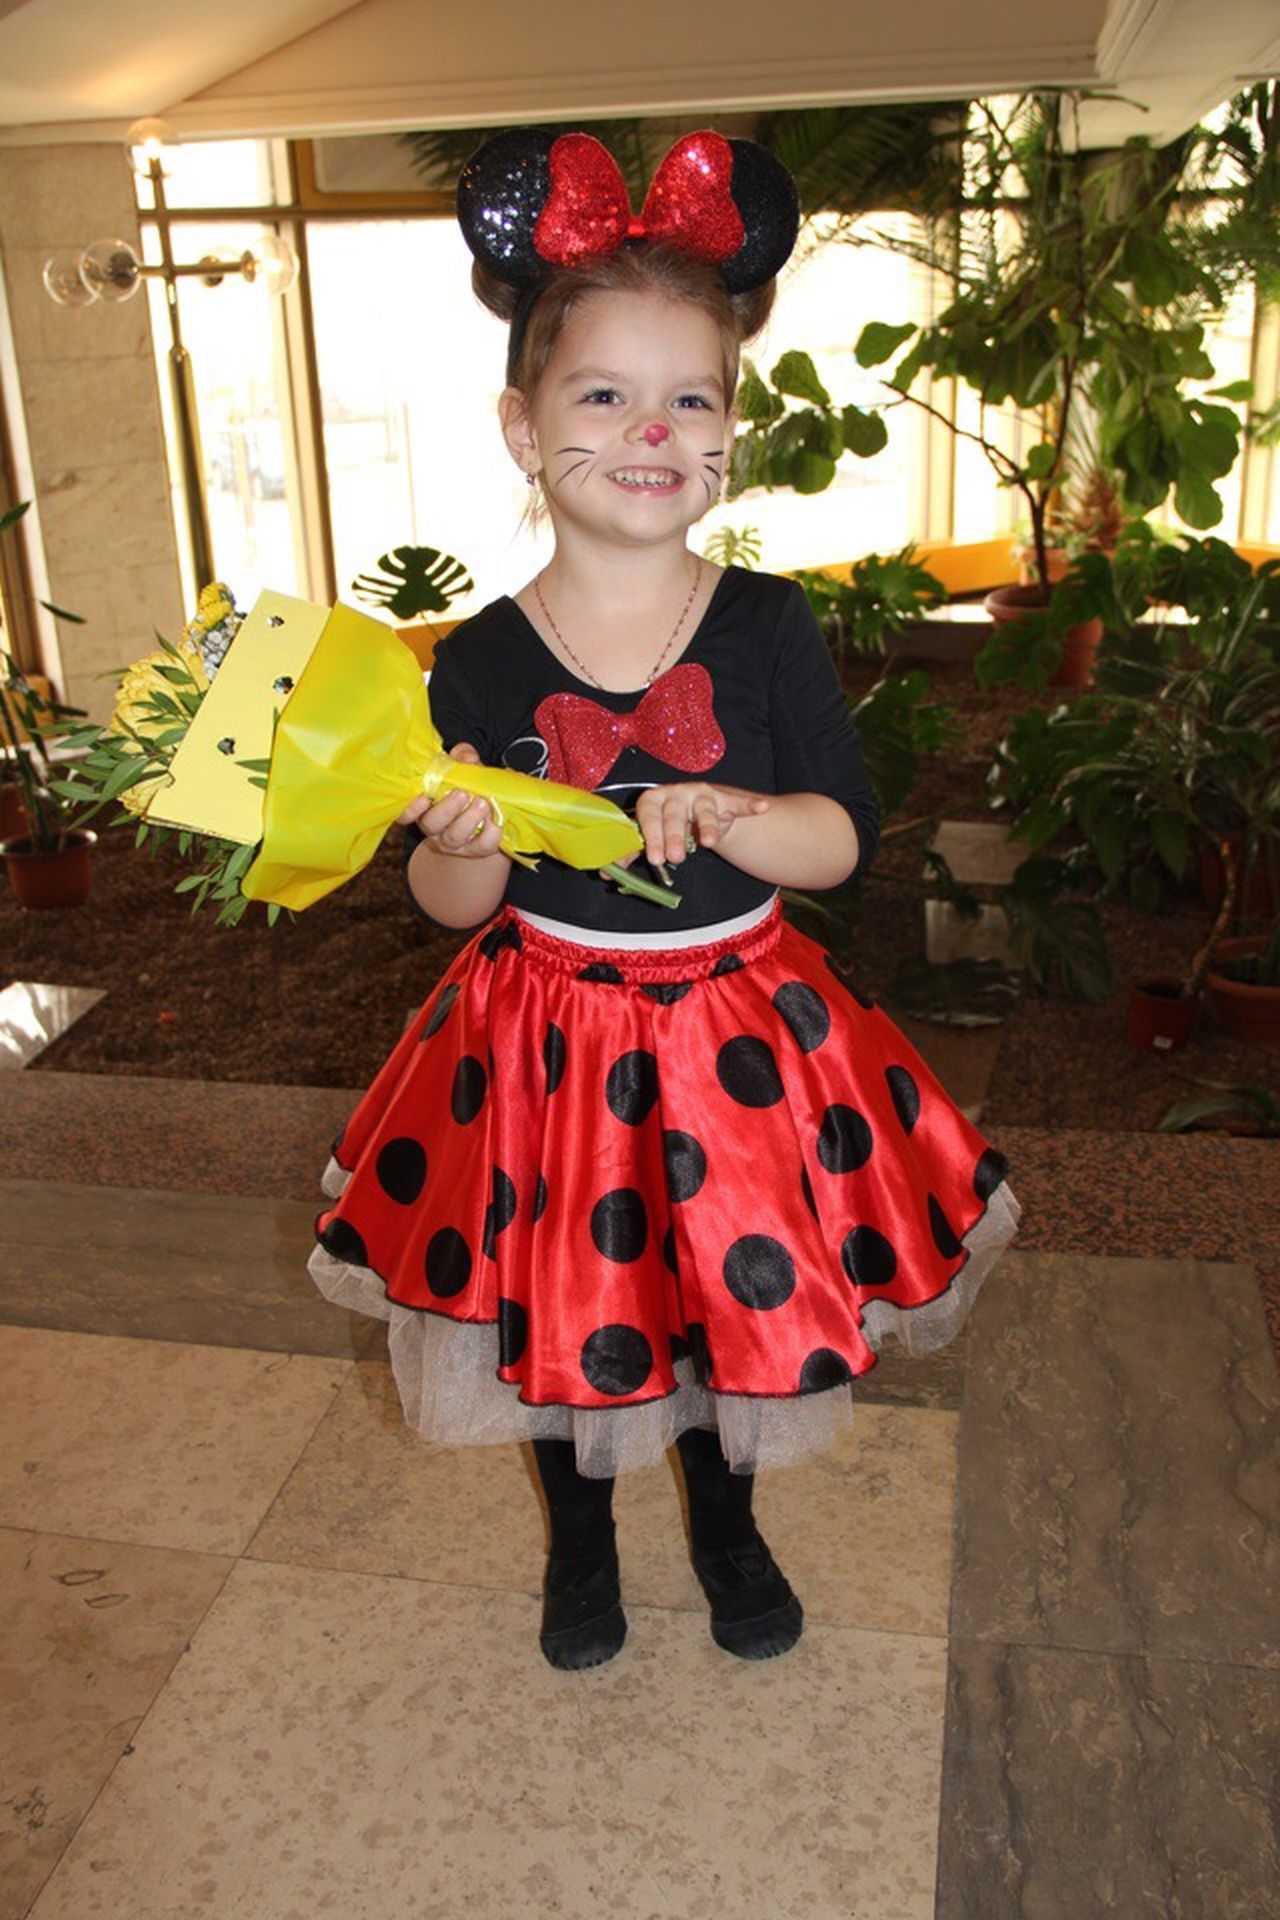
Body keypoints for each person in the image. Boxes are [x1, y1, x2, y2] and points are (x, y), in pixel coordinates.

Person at [310, 128, 1021, 1673]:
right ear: (523, 427)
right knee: (565, 1300)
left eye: (691, 397)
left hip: (738, 1037)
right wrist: (459, 832)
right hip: (544, 1041)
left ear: (729, 430)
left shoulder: (766, 625)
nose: (651, 428)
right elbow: (452, 902)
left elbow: (846, 838)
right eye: (602, 396)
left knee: (722, 1299)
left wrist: (751, 818)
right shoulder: (480, 657)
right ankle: (579, 1549)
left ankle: (727, 1526)